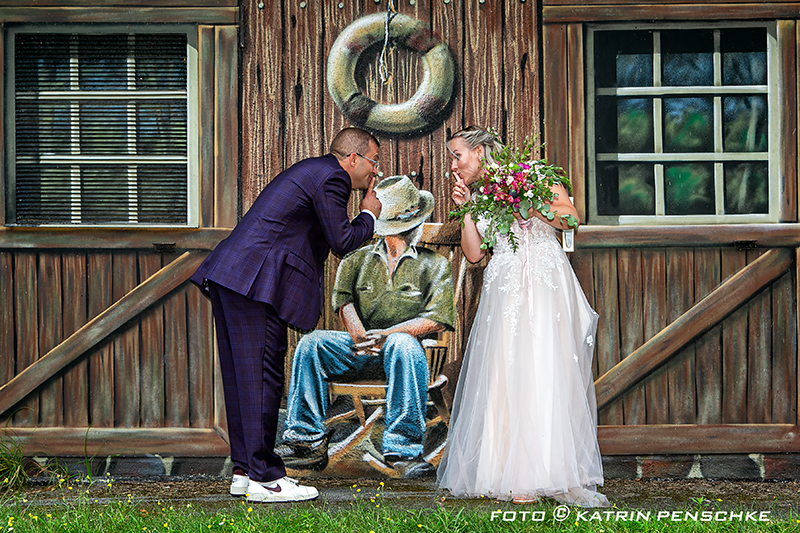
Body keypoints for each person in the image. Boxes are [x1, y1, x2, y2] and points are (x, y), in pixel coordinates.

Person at [190, 127, 382, 503]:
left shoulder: (314, 171)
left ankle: (245, 471)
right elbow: (342, 240)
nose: (375, 172)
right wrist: (368, 215)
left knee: (242, 377)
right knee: (263, 376)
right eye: (373, 162)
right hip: (255, 282)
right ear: (354, 158)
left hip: (235, 276)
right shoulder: (333, 178)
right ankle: (266, 478)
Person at [437, 126, 609, 507]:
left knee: (546, 367)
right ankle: (513, 473)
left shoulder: (533, 175)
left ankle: (551, 470)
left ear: (480, 152)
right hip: (505, 287)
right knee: (506, 369)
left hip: (544, 284)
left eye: (456, 155)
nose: (452, 164)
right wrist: (466, 208)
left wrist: (530, 205)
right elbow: (474, 253)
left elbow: (569, 217)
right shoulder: (481, 197)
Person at [279, 176, 455, 479]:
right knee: (313, 343)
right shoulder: (355, 260)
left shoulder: (434, 264)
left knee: (402, 344)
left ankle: (402, 451)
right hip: (358, 348)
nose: (397, 235)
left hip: (403, 351)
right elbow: (344, 303)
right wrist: (360, 336)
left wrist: (386, 335)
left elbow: (436, 320)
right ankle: (307, 442)